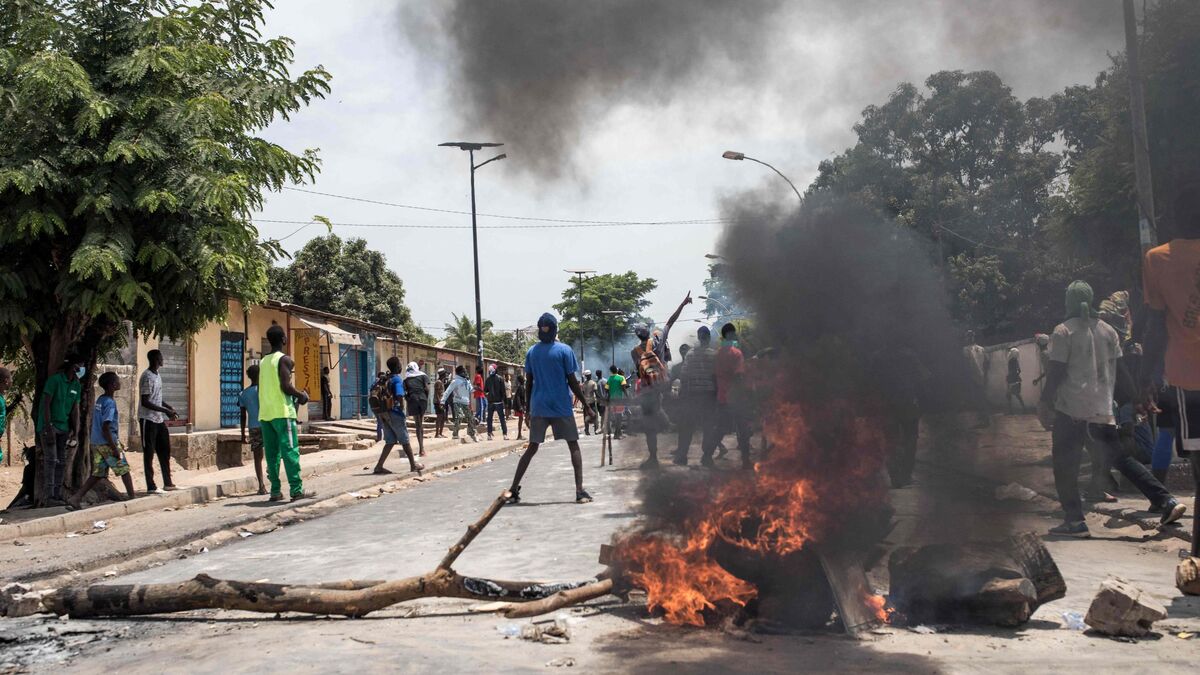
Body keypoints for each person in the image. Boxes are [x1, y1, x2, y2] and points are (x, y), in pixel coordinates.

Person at [1038, 281, 1185, 538]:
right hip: (1103, 411)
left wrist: (1044, 402)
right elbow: (1122, 373)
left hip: (1072, 413)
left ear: (1068, 301)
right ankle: (1166, 501)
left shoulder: (1063, 332)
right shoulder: (1108, 331)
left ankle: (1075, 522)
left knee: (1064, 467)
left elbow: (1056, 373)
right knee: (1121, 459)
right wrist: (1136, 399)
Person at [1141, 185, 1200, 554]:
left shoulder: (1157, 259)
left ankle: (1197, 556)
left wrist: (1146, 379)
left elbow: (1154, 323)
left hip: (1188, 379)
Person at [505, 313, 596, 505]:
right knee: (573, 445)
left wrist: (528, 410)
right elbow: (572, 382)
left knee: (532, 448)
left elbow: (529, 383)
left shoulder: (531, 352)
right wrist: (587, 406)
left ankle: (513, 489)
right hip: (561, 406)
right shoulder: (564, 350)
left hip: (539, 406)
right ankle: (579, 491)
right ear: (555, 329)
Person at [630, 292, 692, 468]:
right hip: (663, 387)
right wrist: (683, 303)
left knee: (650, 427)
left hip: (647, 390)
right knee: (676, 415)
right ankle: (673, 432)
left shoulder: (634, 351)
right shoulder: (657, 340)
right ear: (647, 332)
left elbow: (639, 372)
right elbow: (670, 322)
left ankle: (653, 457)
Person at [258, 325, 315, 502]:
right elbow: (286, 386)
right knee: (290, 451)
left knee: (272, 454)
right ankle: (296, 490)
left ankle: (275, 491)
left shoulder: (263, 361)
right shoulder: (285, 360)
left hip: (265, 413)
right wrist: (302, 395)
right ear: (283, 339)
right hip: (283, 412)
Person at [66, 372, 136, 510]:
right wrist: (114, 447)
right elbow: (106, 426)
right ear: (113, 385)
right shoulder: (110, 403)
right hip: (107, 442)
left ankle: (76, 497)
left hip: (96, 442)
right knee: (124, 469)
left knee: (98, 473)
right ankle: (132, 497)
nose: (120, 381)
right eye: (117, 380)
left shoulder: (100, 400)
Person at [38, 357, 83, 505]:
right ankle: (48, 497)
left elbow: (75, 410)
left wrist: (76, 432)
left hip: (64, 427)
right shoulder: (55, 380)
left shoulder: (76, 385)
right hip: (50, 426)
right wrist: (48, 427)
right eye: (80, 365)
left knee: (61, 462)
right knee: (51, 460)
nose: (82, 369)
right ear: (72, 366)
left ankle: (57, 495)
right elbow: (46, 404)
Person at [710, 323, 753, 470]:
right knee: (743, 429)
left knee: (721, 428)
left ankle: (706, 456)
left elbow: (714, 376)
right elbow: (739, 375)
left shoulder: (717, 354)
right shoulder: (736, 353)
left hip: (722, 397)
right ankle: (746, 461)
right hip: (736, 398)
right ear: (732, 335)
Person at [674, 326, 717, 467]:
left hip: (692, 396)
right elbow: (717, 377)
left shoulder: (690, 354)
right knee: (709, 428)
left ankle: (682, 456)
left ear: (699, 337)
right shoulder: (714, 355)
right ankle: (707, 457)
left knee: (686, 427)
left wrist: (683, 395)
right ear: (709, 338)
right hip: (709, 397)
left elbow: (684, 376)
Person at [372, 357, 423, 475]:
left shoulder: (384, 379)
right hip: (394, 412)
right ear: (397, 367)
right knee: (404, 439)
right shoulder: (396, 379)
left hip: (382, 413)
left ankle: (379, 466)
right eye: (400, 364)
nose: (401, 366)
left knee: (390, 441)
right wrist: (401, 407)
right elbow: (399, 395)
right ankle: (413, 465)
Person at [138, 349, 179, 493]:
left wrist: (168, 408)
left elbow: (156, 397)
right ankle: (151, 486)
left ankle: (168, 482)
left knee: (165, 450)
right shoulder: (147, 376)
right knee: (148, 452)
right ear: (156, 359)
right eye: (161, 357)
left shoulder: (157, 375)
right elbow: (145, 401)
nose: (163, 359)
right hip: (148, 419)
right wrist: (165, 411)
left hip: (158, 419)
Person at [238, 364, 267, 495]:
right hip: (267, 424)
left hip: (253, 427)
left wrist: (243, 434)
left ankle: (261, 485)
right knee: (273, 454)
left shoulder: (243, 394)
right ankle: (273, 478)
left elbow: (243, 416)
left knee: (257, 457)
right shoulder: (263, 390)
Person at [442, 365, 478, 443]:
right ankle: (455, 434)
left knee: (470, 418)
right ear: (460, 372)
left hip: (466, 402)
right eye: (464, 371)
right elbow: (448, 391)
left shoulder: (466, 381)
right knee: (459, 416)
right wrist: (442, 401)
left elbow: (471, 390)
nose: (466, 372)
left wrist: (476, 388)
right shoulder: (455, 381)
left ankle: (471, 433)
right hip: (457, 402)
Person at [404, 362, 431, 456]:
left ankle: (421, 449)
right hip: (422, 400)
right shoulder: (423, 376)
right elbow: (427, 389)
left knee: (418, 424)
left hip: (413, 401)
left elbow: (404, 392)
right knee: (420, 423)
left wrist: (408, 399)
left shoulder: (406, 379)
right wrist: (425, 399)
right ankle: (422, 449)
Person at [485, 364, 509, 440]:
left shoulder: (488, 380)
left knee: (489, 418)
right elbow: (503, 392)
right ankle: (505, 435)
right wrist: (505, 402)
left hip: (491, 402)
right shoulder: (500, 379)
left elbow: (485, 390)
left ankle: (489, 435)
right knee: (502, 418)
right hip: (498, 402)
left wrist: (488, 395)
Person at [0, 366, 18, 465]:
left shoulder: (1, 397)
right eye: (11, 378)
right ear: (6, 380)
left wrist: (15, 403)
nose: (12, 381)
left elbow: (3, 413)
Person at [606, 365, 627, 439]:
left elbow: (607, 390)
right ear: (617, 370)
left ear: (611, 371)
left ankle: (619, 433)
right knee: (619, 417)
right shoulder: (621, 377)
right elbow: (624, 388)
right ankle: (616, 434)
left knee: (616, 417)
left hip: (612, 400)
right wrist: (627, 397)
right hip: (619, 400)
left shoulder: (610, 379)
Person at [1006, 347, 1026, 414]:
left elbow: (1014, 371)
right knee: (1016, 395)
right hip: (1016, 379)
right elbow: (1019, 370)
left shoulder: (1012, 361)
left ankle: (1010, 410)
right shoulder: (1015, 360)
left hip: (1012, 380)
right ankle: (1023, 408)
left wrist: (1010, 376)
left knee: (1010, 395)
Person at [580, 369, 598, 436]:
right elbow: (595, 392)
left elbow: (582, 393)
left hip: (585, 403)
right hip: (592, 402)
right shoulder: (593, 383)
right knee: (595, 416)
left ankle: (587, 431)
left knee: (586, 417)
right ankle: (596, 430)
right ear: (590, 375)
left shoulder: (583, 384)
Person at [433, 369, 449, 438]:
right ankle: (437, 434)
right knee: (439, 418)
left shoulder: (442, 382)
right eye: (445, 374)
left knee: (442, 418)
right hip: (438, 402)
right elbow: (437, 394)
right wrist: (440, 403)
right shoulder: (438, 382)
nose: (446, 375)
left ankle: (440, 433)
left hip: (442, 402)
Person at [512, 373, 528, 440]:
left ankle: (519, 434)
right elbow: (518, 398)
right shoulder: (521, 387)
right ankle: (519, 435)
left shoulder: (521, 387)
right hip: (520, 406)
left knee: (521, 420)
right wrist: (520, 407)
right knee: (521, 420)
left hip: (520, 406)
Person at [594, 370, 608, 435]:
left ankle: (603, 428)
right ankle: (604, 428)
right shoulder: (605, 381)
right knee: (604, 415)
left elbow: (596, 392)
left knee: (602, 415)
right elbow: (608, 390)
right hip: (605, 400)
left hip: (600, 401)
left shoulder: (596, 382)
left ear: (596, 374)